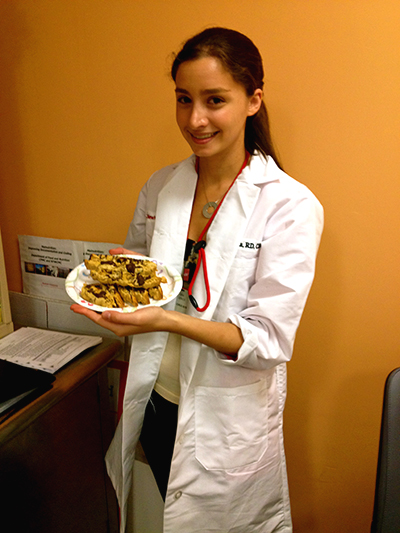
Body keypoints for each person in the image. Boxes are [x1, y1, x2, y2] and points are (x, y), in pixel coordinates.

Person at [71, 27, 323, 533]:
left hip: (223, 424)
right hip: (157, 404)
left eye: (215, 100)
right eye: (183, 100)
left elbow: (268, 340)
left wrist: (165, 320)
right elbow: (146, 276)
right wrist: (121, 279)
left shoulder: (290, 206)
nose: (194, 119)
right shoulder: (162, 186)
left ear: (254, 100)